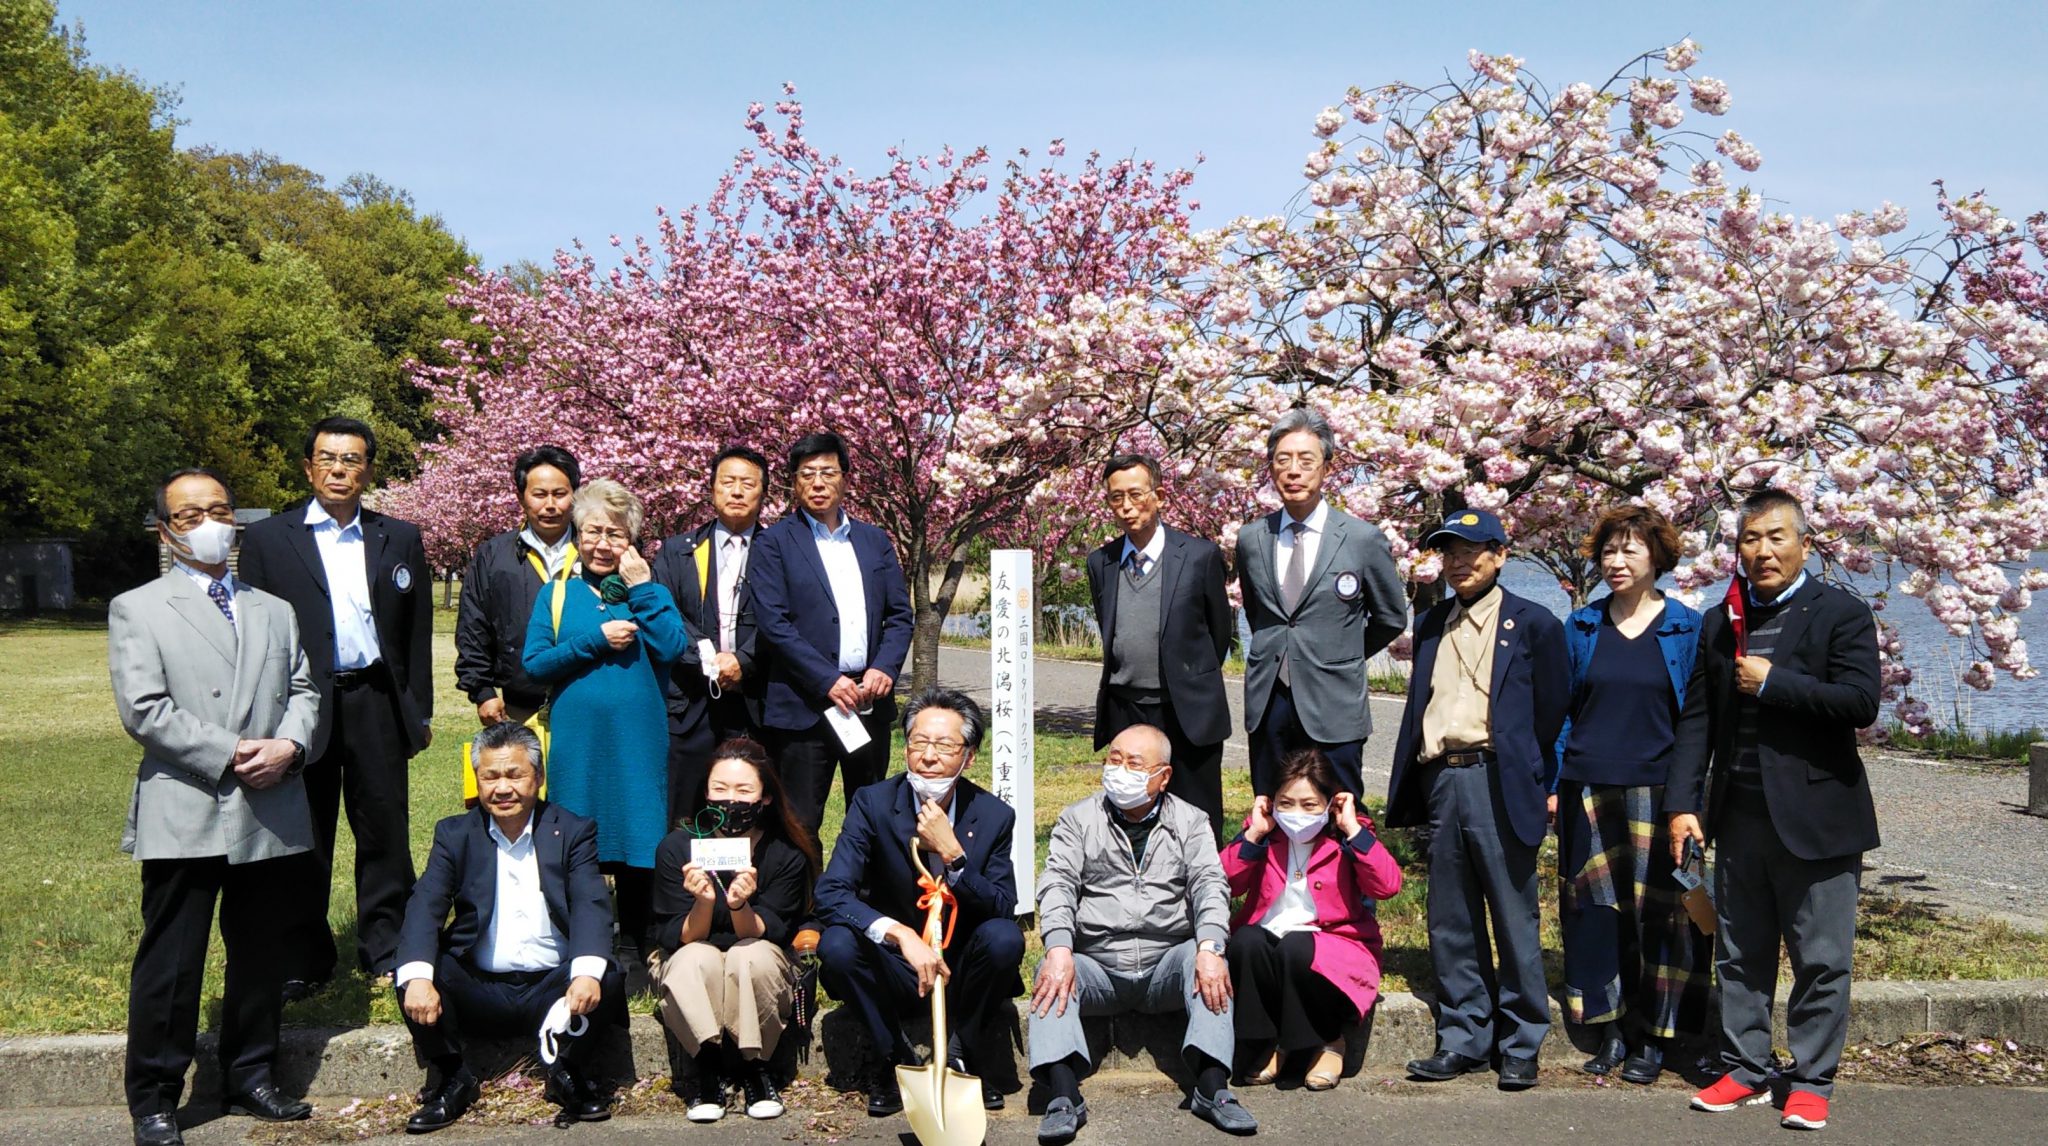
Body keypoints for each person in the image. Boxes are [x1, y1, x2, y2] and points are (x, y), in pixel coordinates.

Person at [113, 469, 320, 1146]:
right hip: (189, 803)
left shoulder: (275, 608)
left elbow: (304, 689)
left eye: (220, 509)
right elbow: (145, 710)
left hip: (270, 804)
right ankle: (155, 1096)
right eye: (190, 512)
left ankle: (251, 1072)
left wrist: (290, 743)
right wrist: (233, 750)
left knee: (261, 952)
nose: (209, 522)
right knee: (173, 962)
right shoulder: (138, 608)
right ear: (166, 530)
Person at [1667, 490, 1881, 1132]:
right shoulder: (1719, 620)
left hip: (1818, 818)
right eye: (1750, 539)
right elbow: (1697, 720)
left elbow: (1861, 702)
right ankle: (1746, 1066)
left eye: (1776, 537)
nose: (1762, 551)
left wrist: (1775, 682)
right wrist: (1684, 804)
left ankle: (1812, 1078)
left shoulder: (1840, 612)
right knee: (1739, 951)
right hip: (1738, 815)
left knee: (1821, 957)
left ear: (1805, 546)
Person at [236, 415, 434, 996]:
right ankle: (303, 955)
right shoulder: (272, 539)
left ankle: (388, 945)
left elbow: (415, 631)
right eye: (327, 458)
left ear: (368, 468)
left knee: (384, 828)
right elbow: (256, 634)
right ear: (308, 467)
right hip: (303, 705)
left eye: (351, 460)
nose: (339, 469)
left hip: (375, 698)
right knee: (306, 830)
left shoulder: (397, 536)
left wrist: (416, 709)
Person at [1385, 508, 1567, 1091]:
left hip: (1499, 775)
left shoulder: (1534, 622)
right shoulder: (1435, 621)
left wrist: (1541, 779)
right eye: (1450, 552)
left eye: (1473, 550)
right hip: (1443, 777)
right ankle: (1463, 1035)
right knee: (1451, 916)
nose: (1460, 562)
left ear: (1500, 555)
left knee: (1514, 915)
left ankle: (1521, 1040)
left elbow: (1552, 712)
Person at [394, 723, 626, 1132]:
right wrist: (416, 978)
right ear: (477, 780)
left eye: (514, 775)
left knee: (604, 972)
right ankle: (453, 1076)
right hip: (479, 987)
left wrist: (586, 972)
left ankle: (566, 1072)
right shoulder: (454, 834)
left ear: (537, 777)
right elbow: (425, 905)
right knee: (414, 970)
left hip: (553, 988)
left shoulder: (572, 831)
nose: (503, 788)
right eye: (491, 776)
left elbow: (592, 902)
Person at [1029, 724, 1251, 1144]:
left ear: (1163, 776)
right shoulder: (1079, 818)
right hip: (1097, 963)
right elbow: (1057, 883)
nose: (1120, 770)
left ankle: (1213, 1086)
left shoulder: (1190, 820)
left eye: (1134, 764)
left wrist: (1209, 945)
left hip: (1166, 961)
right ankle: (1061, 1095)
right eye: (1114, 759)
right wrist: (1059, 947)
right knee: (1051, 969)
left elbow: (1210, 883)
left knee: (1209, 962)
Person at [1554, 506, 1712, 1084]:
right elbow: (1563, 712)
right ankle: (1612, 1027)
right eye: (1607, 552)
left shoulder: (1687, 628)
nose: (1615, 563)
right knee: (1597, 912)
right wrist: (1554, 785)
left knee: (1668, 915)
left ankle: (1656, 1033)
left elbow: (1698, 721)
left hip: (1661, 790)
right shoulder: (1582, 626)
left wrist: (1688, 799)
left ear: (1658, 558)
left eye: (1629, 550)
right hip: (1588, 785)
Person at [814, 687, 1025, 1117]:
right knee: (835, 944)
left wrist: (955, 858)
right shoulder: (872, 804)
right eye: (918, 742)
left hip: (959, 966)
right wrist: (899, 934)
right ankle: (895, 1058)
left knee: (1004, 938)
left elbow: (1004, 907)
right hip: (897, 964)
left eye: (945, 745)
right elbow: (831, 892)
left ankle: (963, 1054)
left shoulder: (994, 814)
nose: (929, 756)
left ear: (968, 756)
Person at [522, 478, 689, 971]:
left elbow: (672, 647)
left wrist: (640, 589)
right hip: (579, 743)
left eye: (616, 534)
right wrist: (594, 640)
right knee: (579, 839)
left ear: (632, 543)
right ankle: (586, 943)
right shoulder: (556, 595)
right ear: (577, 535)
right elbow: (535, 665)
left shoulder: (649, 592)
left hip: (638, 741)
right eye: (593, 531)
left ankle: (642, 945)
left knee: (640, 836)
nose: (602, 543)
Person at [1236, 408, 1407, 797]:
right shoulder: (1251, 539)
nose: (1293, 471)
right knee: (1270, 808)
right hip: (1269, 700)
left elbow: (1390, 617)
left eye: (1305, 460)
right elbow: (1257, 612)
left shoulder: (1361, 539)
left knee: (1341, 813)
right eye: (1283, 460)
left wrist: (1340, 654)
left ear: (1327, 468)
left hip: (1334, 702)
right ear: (1271, 468)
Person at [747, 432, 914, 832]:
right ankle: (803, 896)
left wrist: (885, 668)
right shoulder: (774, 543)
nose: (818, 483)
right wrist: (828, 680)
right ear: (793, 483)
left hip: (868, 700)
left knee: (872, 813)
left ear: (845, 479)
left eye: (827, 472)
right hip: (805, 706)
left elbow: (900, 614)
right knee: (800, 820)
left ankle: (862, 893)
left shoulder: (875, 541)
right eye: (807, 474)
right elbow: (774, 624)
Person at [650, 737, 818, 1123]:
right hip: (692, 951)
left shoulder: (784, 852)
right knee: (697, 957)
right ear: (705, 793)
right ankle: (706, 1069)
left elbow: (770, 931)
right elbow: (676, 935)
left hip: (757, 950)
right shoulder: (678, 847)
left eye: (744, 791)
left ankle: (755, 1068)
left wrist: (740, 903)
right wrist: (704, 901)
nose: (731, 801)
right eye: (720, 789)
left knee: (749, 955)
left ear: (766, 798)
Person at [1222, 749, 1402, 1095]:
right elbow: (1224, 884)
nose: (1296, 814)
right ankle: (1275, 1041)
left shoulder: (1348, 835)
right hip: (1273, 939)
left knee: (1296, 946)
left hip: (1336, 946)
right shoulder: (1263, 833)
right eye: (1286, 803)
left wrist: (1351, 829)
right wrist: (1253, 837)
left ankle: (1328, 1042)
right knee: (1246, 942)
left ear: (1331, 803)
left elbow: (1387, 886)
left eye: (1309, 805)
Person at [1085, 454, 1235, 839]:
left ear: (1160, 495)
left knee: (1196, 811)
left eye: (1135, 494)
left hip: (1187, 707)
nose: (1126, 506)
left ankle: (1202, 893)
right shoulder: (1100, 562)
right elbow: (1110, 625)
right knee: (1131, 806)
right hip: (1126, 705)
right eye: (1116, 498)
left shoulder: (1199, 556)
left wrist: (1188, 675)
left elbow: (1220, 633)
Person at [652, 445, 772, 826]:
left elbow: (787, 619)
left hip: (757, 700)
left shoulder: (780, 550)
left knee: (753, 805)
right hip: (691, 699)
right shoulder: (679, 550)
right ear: (712, 489)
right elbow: (666, 614)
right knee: (684, 805)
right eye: (728, 482)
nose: (737, 492)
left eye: (747, 484)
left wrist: (744, 662)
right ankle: (682, 882)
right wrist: (709, 662)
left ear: (763, 493)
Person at [454, 445, 582, 729]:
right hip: (519, 702)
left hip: (587, 696)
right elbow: (473, 625)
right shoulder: (494, 554)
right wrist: (482, 691)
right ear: (521, 498)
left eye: (560, 494)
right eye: (539, 494)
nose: (550, 505)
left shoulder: (596, 550)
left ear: (575, 495)